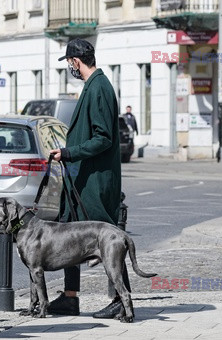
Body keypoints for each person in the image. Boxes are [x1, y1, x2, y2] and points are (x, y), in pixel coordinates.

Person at [49, 38, 130, 319]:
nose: (69, 67)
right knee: (69, 234)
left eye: (69, 62)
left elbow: (103, 138)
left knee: (107, 239)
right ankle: (70, 297)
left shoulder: (99, 88)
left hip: (94, 182)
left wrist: (69, 153)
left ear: (75, 61)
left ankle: (121, 299)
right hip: (83, 179)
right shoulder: (94, 85)